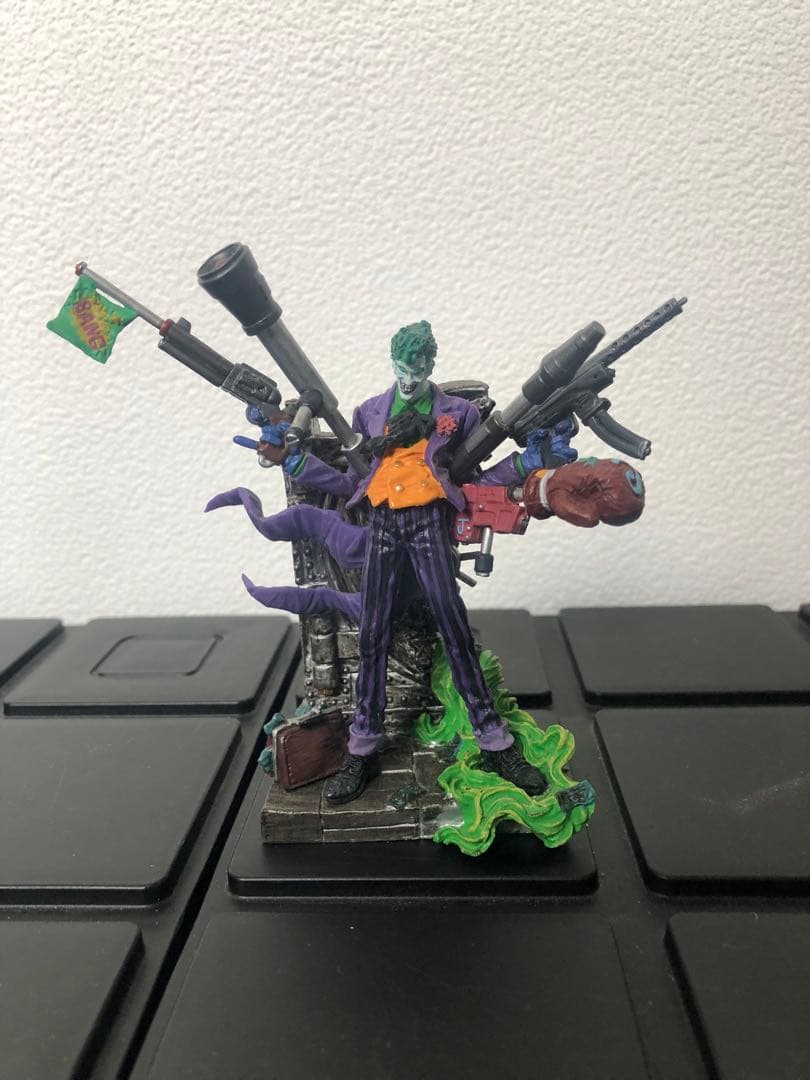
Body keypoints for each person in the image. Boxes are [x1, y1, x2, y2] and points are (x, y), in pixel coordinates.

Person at [253, 321, 576, 805]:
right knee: (372, 635)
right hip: (383, 525)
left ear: (430, 364)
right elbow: (352, 481)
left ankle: (495, 742)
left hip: (430, 523)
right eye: (402, 368)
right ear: (393, 363)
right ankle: (362, 748)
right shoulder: (368, 413)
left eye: (417, 368)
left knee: (455, 628)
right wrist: (294, 462)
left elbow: (476, 477)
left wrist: (528, 464)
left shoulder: (459, 414)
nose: (408, 378)